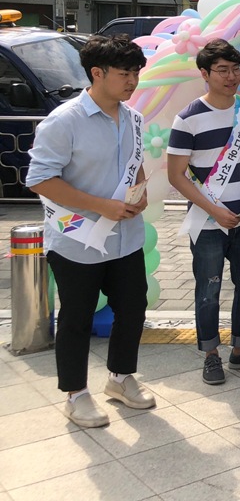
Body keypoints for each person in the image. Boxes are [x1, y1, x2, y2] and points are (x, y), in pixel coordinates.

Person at [26, 35, 156, 427]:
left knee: (133, 309)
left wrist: (142, 192)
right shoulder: (64, 121)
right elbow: (40, 179)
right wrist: (102, 206)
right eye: (124, 73)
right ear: (96, 74)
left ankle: (119, 378)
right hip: (78, 241)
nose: (132, 81)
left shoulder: (133, 117)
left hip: (126, 238)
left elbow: (135, 165)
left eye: (135, 73)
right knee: (77, 318)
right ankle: (76, 394)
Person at [167, 39, 240, 385]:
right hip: (207, 221)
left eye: (235, 69)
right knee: (208, 289)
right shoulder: (187, 119)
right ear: (205, 74)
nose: (231, 77)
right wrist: (213, 210)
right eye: (222, 70)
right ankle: (210, 354)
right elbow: (175, 175)